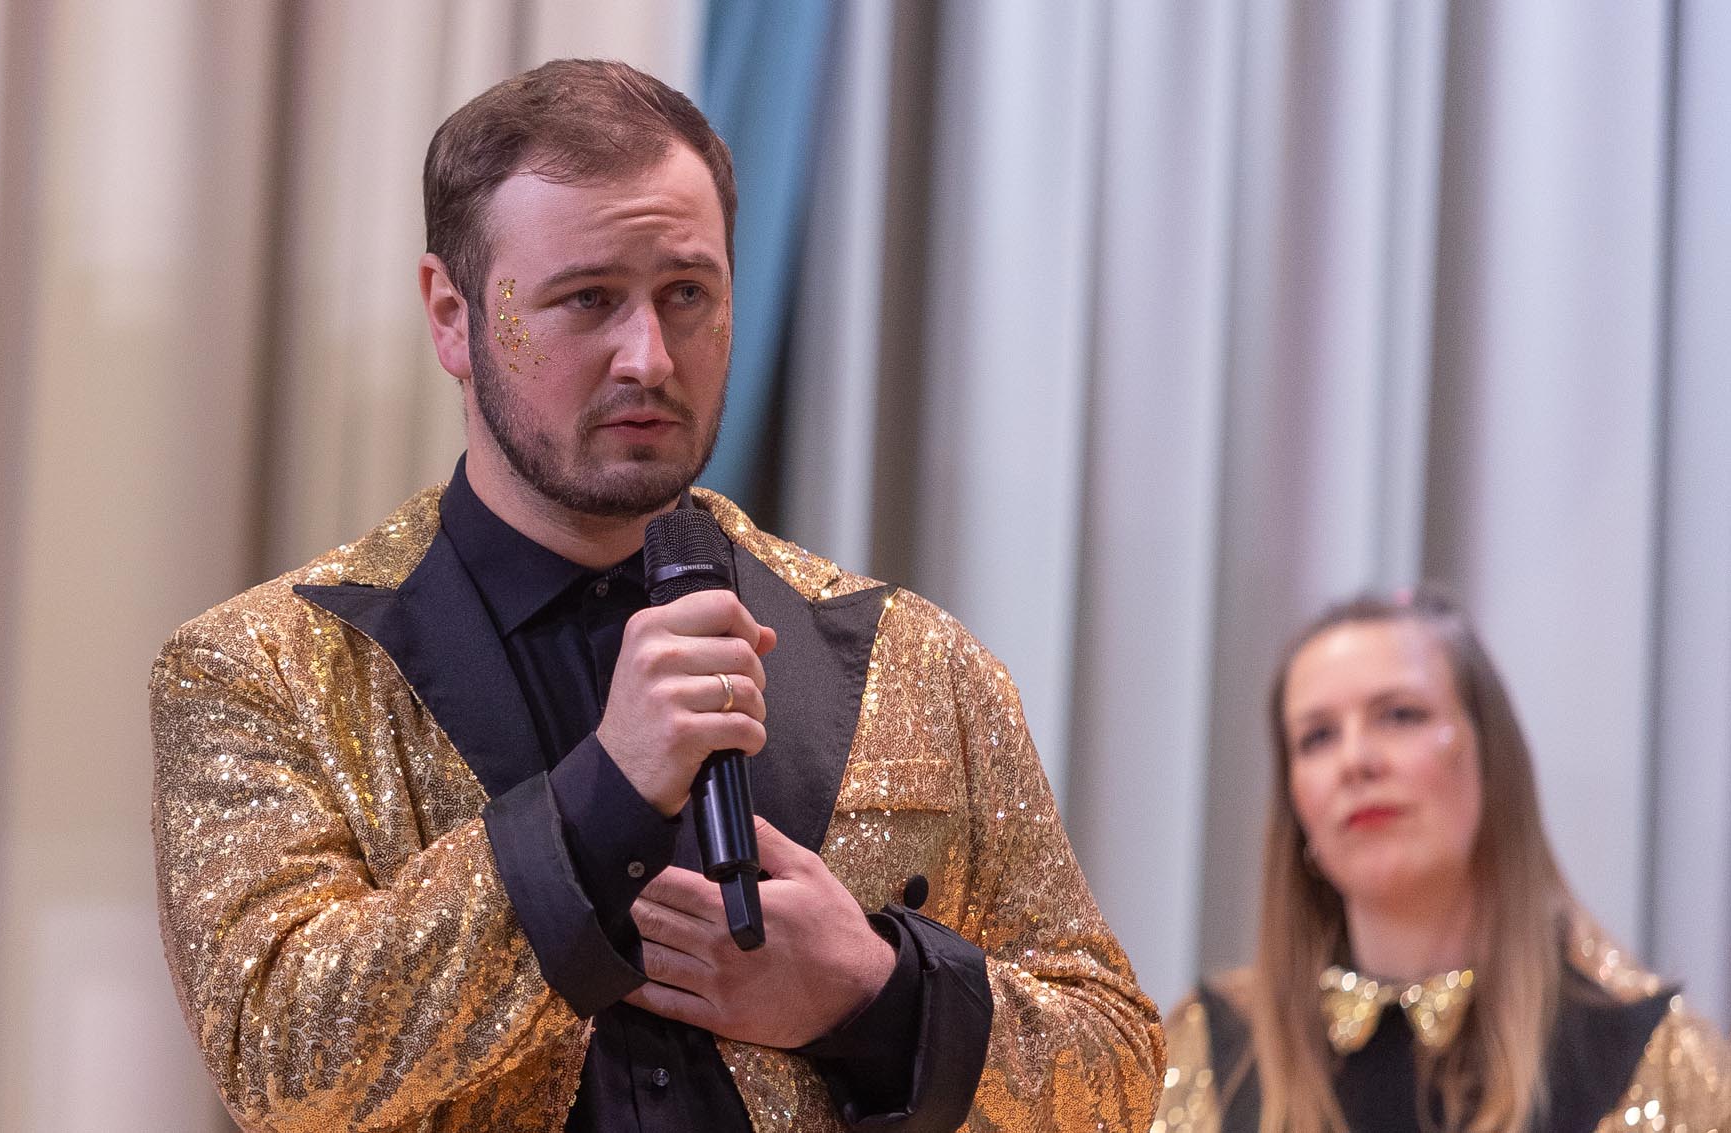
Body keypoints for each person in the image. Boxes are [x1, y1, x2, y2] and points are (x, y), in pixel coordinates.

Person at [150, 59, 1162, 1132]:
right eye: (588, 298)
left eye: (686, 294)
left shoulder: (913, 658)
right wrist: (604, 796)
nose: (647, 357)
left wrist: (875, 992)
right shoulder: (264, 667)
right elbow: (280, 1058)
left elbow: (1116, 1077)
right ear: (452, 314)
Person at [1154, 589, 1731, 1133]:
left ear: (1489, 758)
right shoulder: (1207, 1055)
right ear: (1294, 803)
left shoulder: (1649, 1057)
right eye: (1318, 737)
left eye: (1400, 715)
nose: (1355, 760)